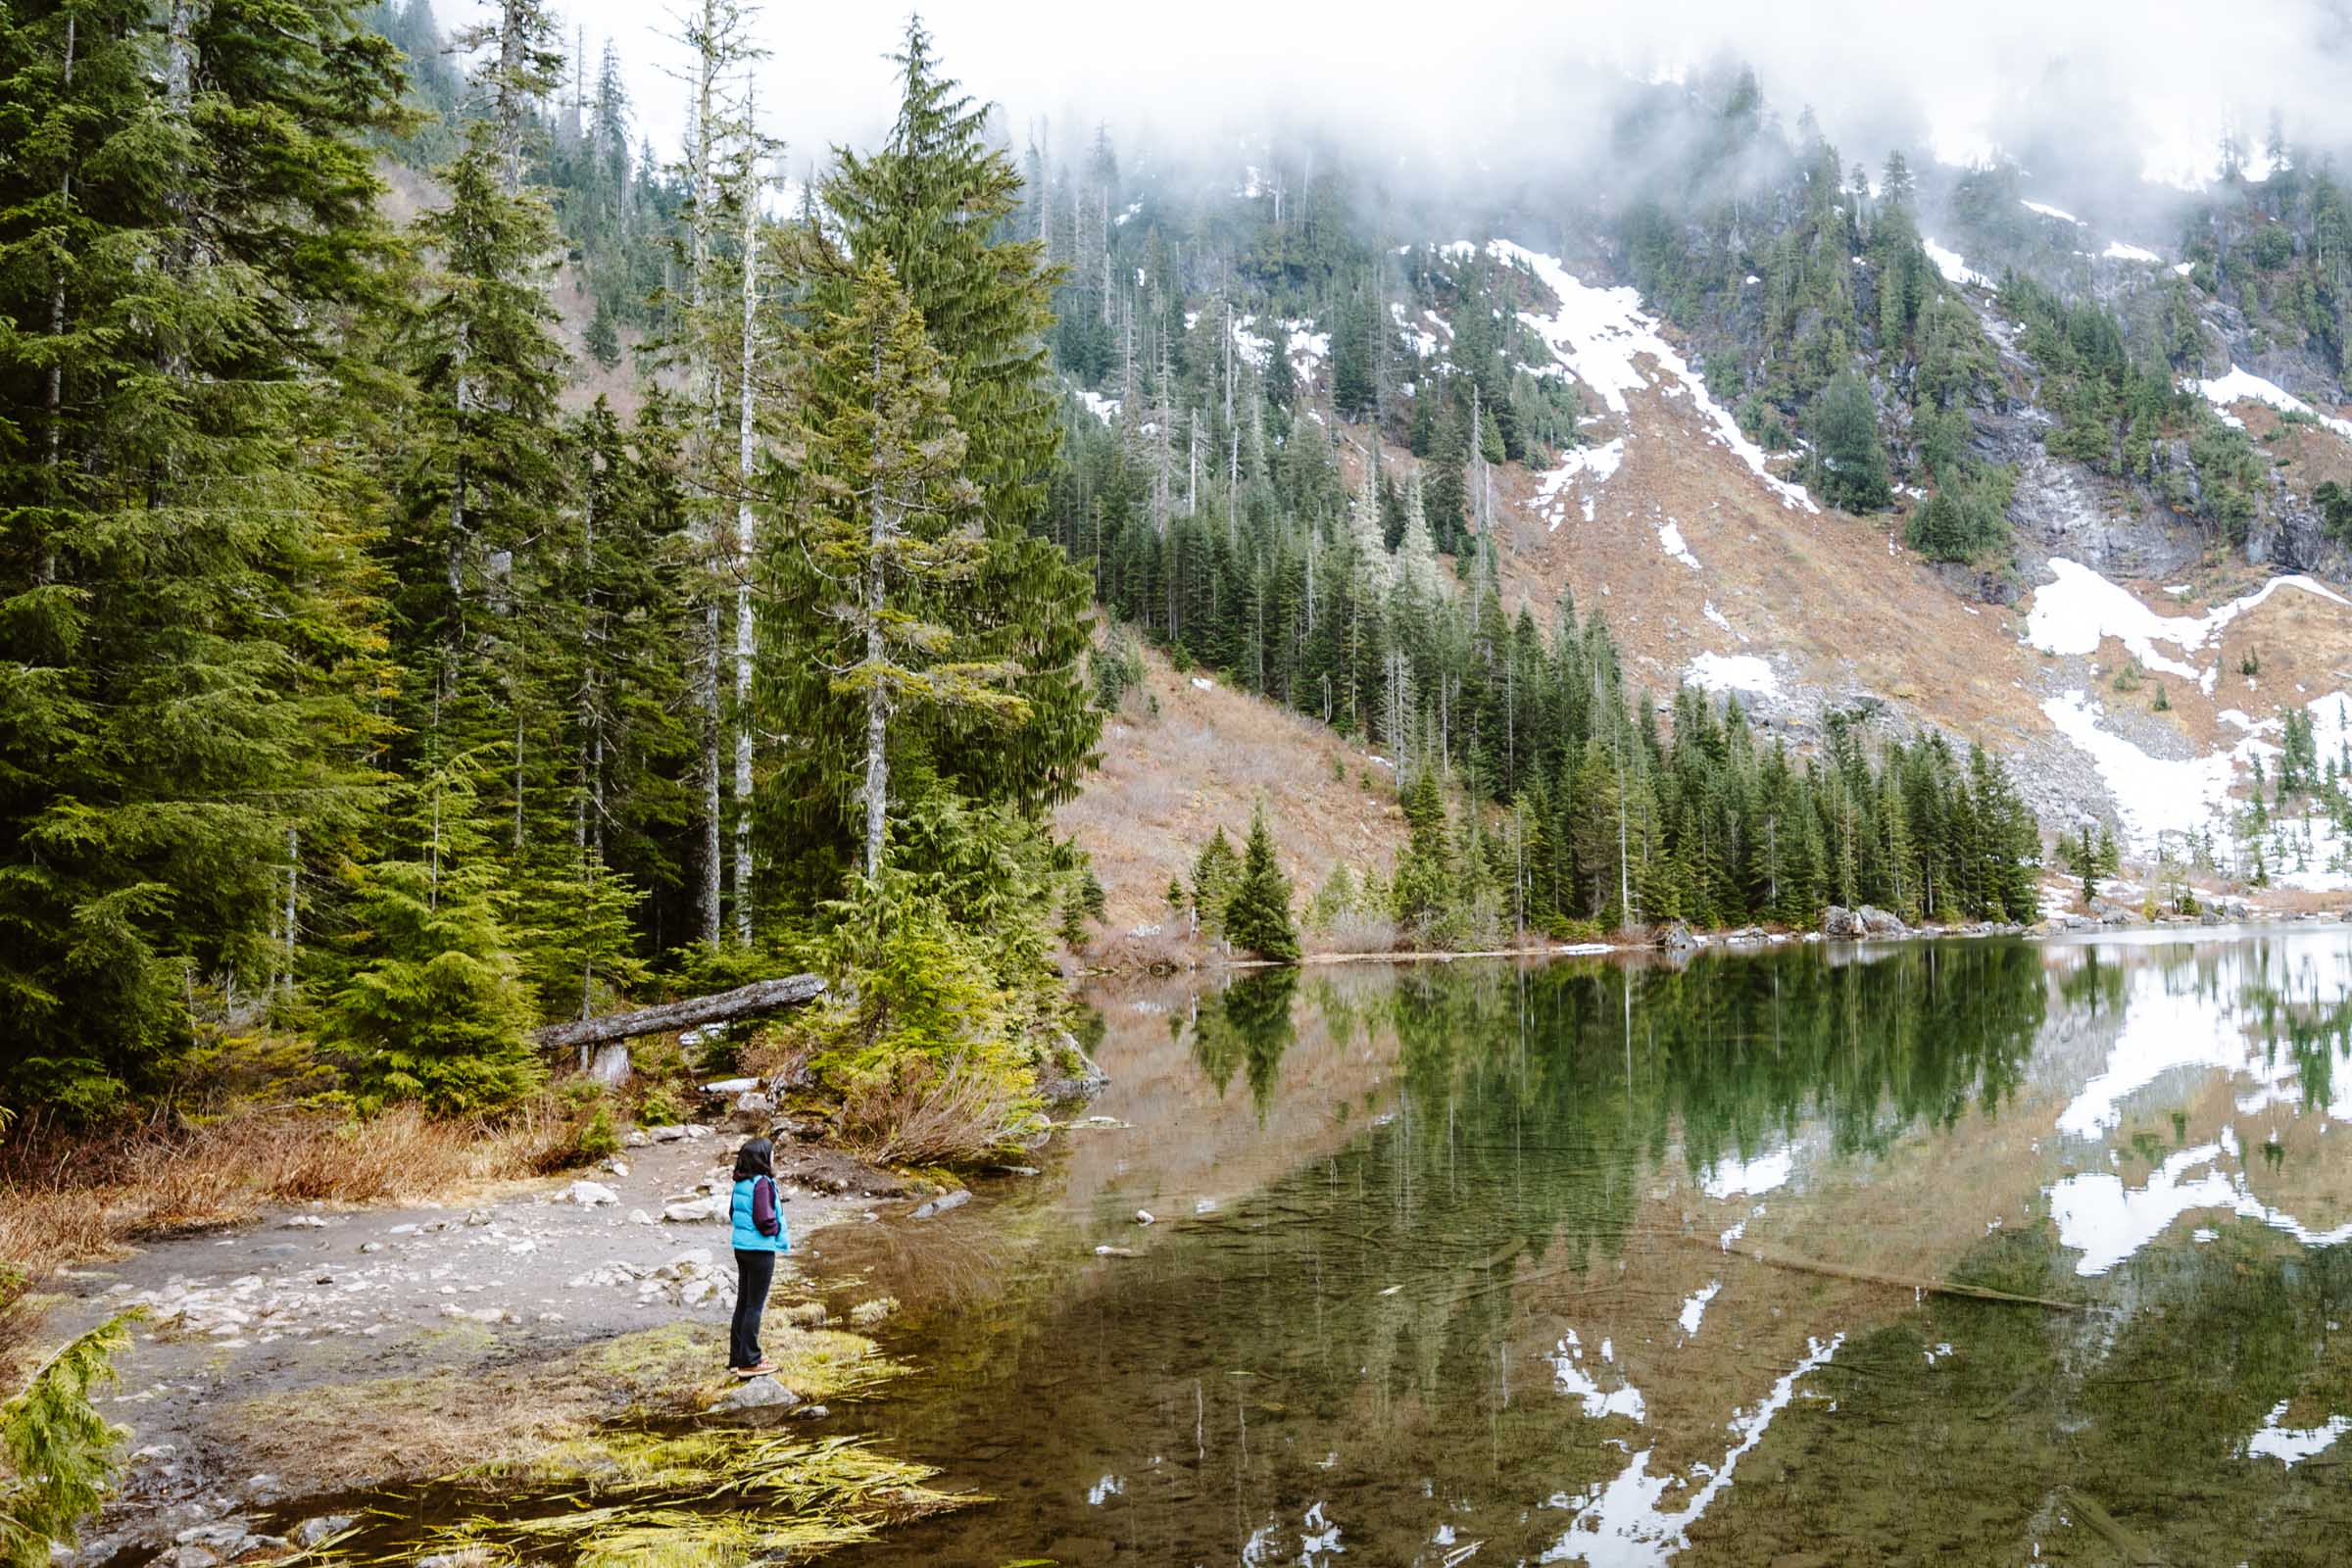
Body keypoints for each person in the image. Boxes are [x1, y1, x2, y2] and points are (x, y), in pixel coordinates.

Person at [726, 1136, 790, 1377]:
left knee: (743, 1303)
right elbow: (764, 1219)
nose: (774, 1157)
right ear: (762, 1157)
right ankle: (751, 1361)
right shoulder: (762, 1182)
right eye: (771, 1153)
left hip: (741, 1248)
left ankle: (737, 1358)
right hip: (760, 1249)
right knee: (755, 1306)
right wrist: (774, 1231)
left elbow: (732, 1212)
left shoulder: (741, 1183)